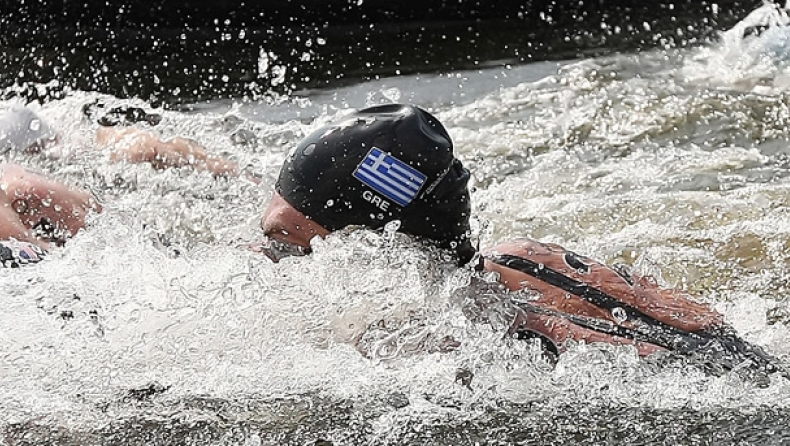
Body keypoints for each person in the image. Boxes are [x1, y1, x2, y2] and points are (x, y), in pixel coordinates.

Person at [255, 103, 787, 376]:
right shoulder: (528, 256)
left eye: (285, 243)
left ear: (371, 244)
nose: (267, 259)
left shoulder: (416, 341)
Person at [0, 104, 249, 266]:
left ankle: (248, 177)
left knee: (144, 149)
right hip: (33, 153)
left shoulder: (26, 169)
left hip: (37, 149)